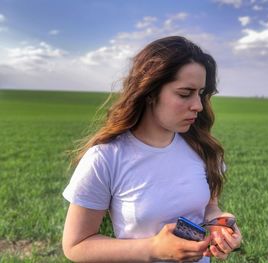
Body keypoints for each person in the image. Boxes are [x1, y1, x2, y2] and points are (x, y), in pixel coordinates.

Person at [62, 35, 242, 262]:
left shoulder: (202, 148)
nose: (197, 105)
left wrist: (221, 225)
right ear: (149, 91)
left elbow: (210, 208)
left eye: (201, 94)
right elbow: (76, 245)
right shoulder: (106, 158)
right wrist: (153, 248)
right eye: (185, 93)